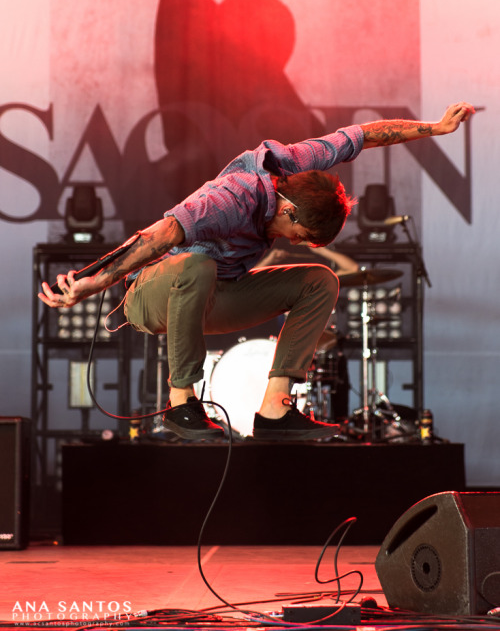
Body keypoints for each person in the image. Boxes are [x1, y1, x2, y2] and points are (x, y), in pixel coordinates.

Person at [39, 102, 474, 442]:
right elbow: (158, 235)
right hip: (155, 296)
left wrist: (434, 128)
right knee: (196, 261)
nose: (294, 242)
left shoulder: (298, 162)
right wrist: (93, 282)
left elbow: (361, 136)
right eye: (298, 234)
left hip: (217, 294)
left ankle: (275, 410)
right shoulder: (231, 199)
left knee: (321, 280)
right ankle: (180, 403)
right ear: (288, 208)